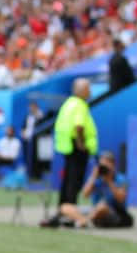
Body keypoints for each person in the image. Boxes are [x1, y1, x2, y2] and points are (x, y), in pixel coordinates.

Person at [42, 78, 97, 228]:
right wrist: (81, 143)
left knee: (68, 182)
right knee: (74, 182)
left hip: (67, 148)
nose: (90, 91)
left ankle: (63, 210)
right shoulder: (80, 105)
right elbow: (79, 126)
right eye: (88, 88)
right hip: (76, 148)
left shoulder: (68, 104)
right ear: (82, 90)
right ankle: (70, 213)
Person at [79, 151, 132, 228]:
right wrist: (93, 177)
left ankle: (84, 221)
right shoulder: (96, 179)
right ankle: (81, 221)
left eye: (107, 164)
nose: (104, 168)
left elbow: (121, 199)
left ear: (113, 165)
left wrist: (109, 181)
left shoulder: (121, 179)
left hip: (115, 212)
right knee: (65, 207)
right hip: (95, 210)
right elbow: (85, 195)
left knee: (102, 206)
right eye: (102, 165)